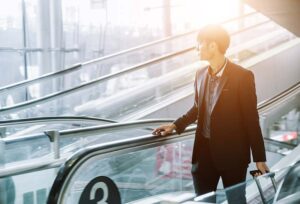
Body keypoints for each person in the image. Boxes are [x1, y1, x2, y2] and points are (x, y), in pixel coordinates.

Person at [152, 25, 269, 203]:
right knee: (203, 201)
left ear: (213, 46)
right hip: (204, 155)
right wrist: (175, 125)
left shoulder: (242, 76)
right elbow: (198, 108)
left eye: (199, 44)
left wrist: (259, 159)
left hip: (233, 156)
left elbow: (251, 120)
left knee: (236, 201)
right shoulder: (200, 74)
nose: (196, 49)